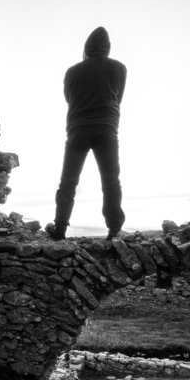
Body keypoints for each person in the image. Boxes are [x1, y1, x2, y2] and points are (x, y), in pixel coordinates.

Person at [48, 26, 127, 241]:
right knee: (111, 180)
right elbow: (118, 98)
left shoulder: (72, 71)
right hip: (106, 130)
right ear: (107, 47)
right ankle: (114, 229)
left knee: (68, 181)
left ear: (86, 48)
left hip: (78, 130)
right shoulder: (119, 68)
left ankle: (59, 229)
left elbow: (69, 98)